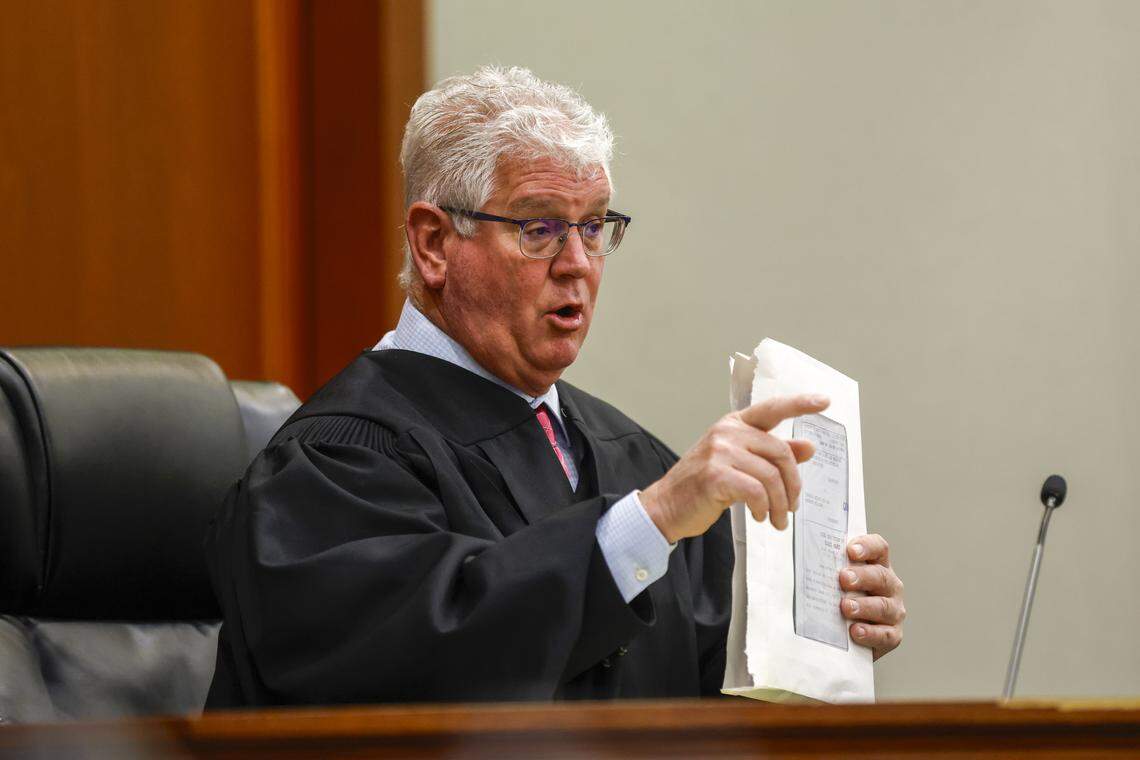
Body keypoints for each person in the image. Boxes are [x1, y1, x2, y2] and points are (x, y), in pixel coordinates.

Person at [205, 66, 905, 707]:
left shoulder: (645, 465)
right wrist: (650, 523)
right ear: (434, 244)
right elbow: (426, 672)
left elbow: (696, 724)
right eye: (538, 228)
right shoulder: (332, 466)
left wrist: (819, 644)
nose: (578, 264)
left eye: (594, 226)